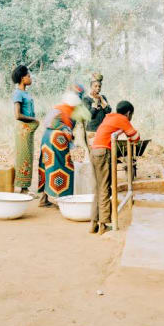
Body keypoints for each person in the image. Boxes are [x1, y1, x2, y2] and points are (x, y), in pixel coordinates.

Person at [90, 101, 140, 235]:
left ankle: (94, 223)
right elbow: (135, 137)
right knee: (105, 188)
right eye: (131, 115)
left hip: (94, 151)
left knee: (98, 187)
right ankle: (103, 224)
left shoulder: (110, 117)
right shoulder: (122, 119)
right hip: (103, 152)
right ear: (128, 113)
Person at [37, 84, 90, 206]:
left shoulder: (59, 107)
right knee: (64, 167)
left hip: (46, 137)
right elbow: (70, 130)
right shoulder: (73, 111)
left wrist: (72, 143)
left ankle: (43, 199)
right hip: (58, 140)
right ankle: (63, 201)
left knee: (46, 166)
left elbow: (48, 123)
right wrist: (75, 146)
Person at [11, 65, 39, 194]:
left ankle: (25, 187)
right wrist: (34, 120)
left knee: (28, 157)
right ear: (23, 78)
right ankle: (23, 188)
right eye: (28, 76)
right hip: (23, 129)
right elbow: (17, 115)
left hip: (27, 130)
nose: (30, 78)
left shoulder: (25, 93)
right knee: (24, 157)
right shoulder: (18, 93)